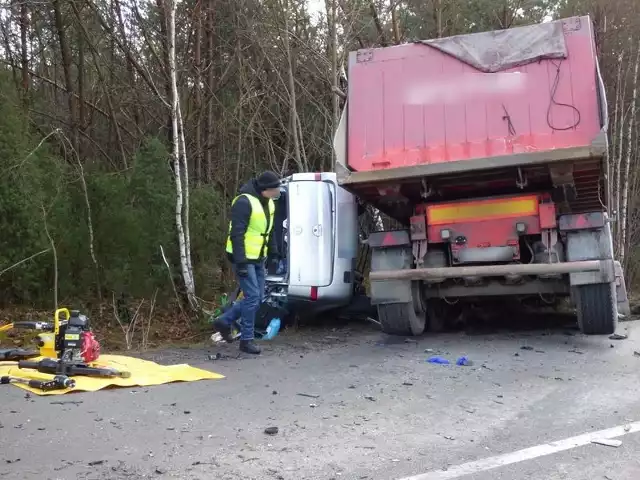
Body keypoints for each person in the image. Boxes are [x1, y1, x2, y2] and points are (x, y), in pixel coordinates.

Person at [213, 171, 281, 354]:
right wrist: (241, 264)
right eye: (275, 189)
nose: (278, 192)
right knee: (252, 298)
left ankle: (224, 321)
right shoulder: (244, 202)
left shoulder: (269, 203)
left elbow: (270, 230)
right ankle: (246, 340)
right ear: (266, 189)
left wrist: (274, 253)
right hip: (243, 258)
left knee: (257, 298)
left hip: (259, 257)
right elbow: (237, 234)